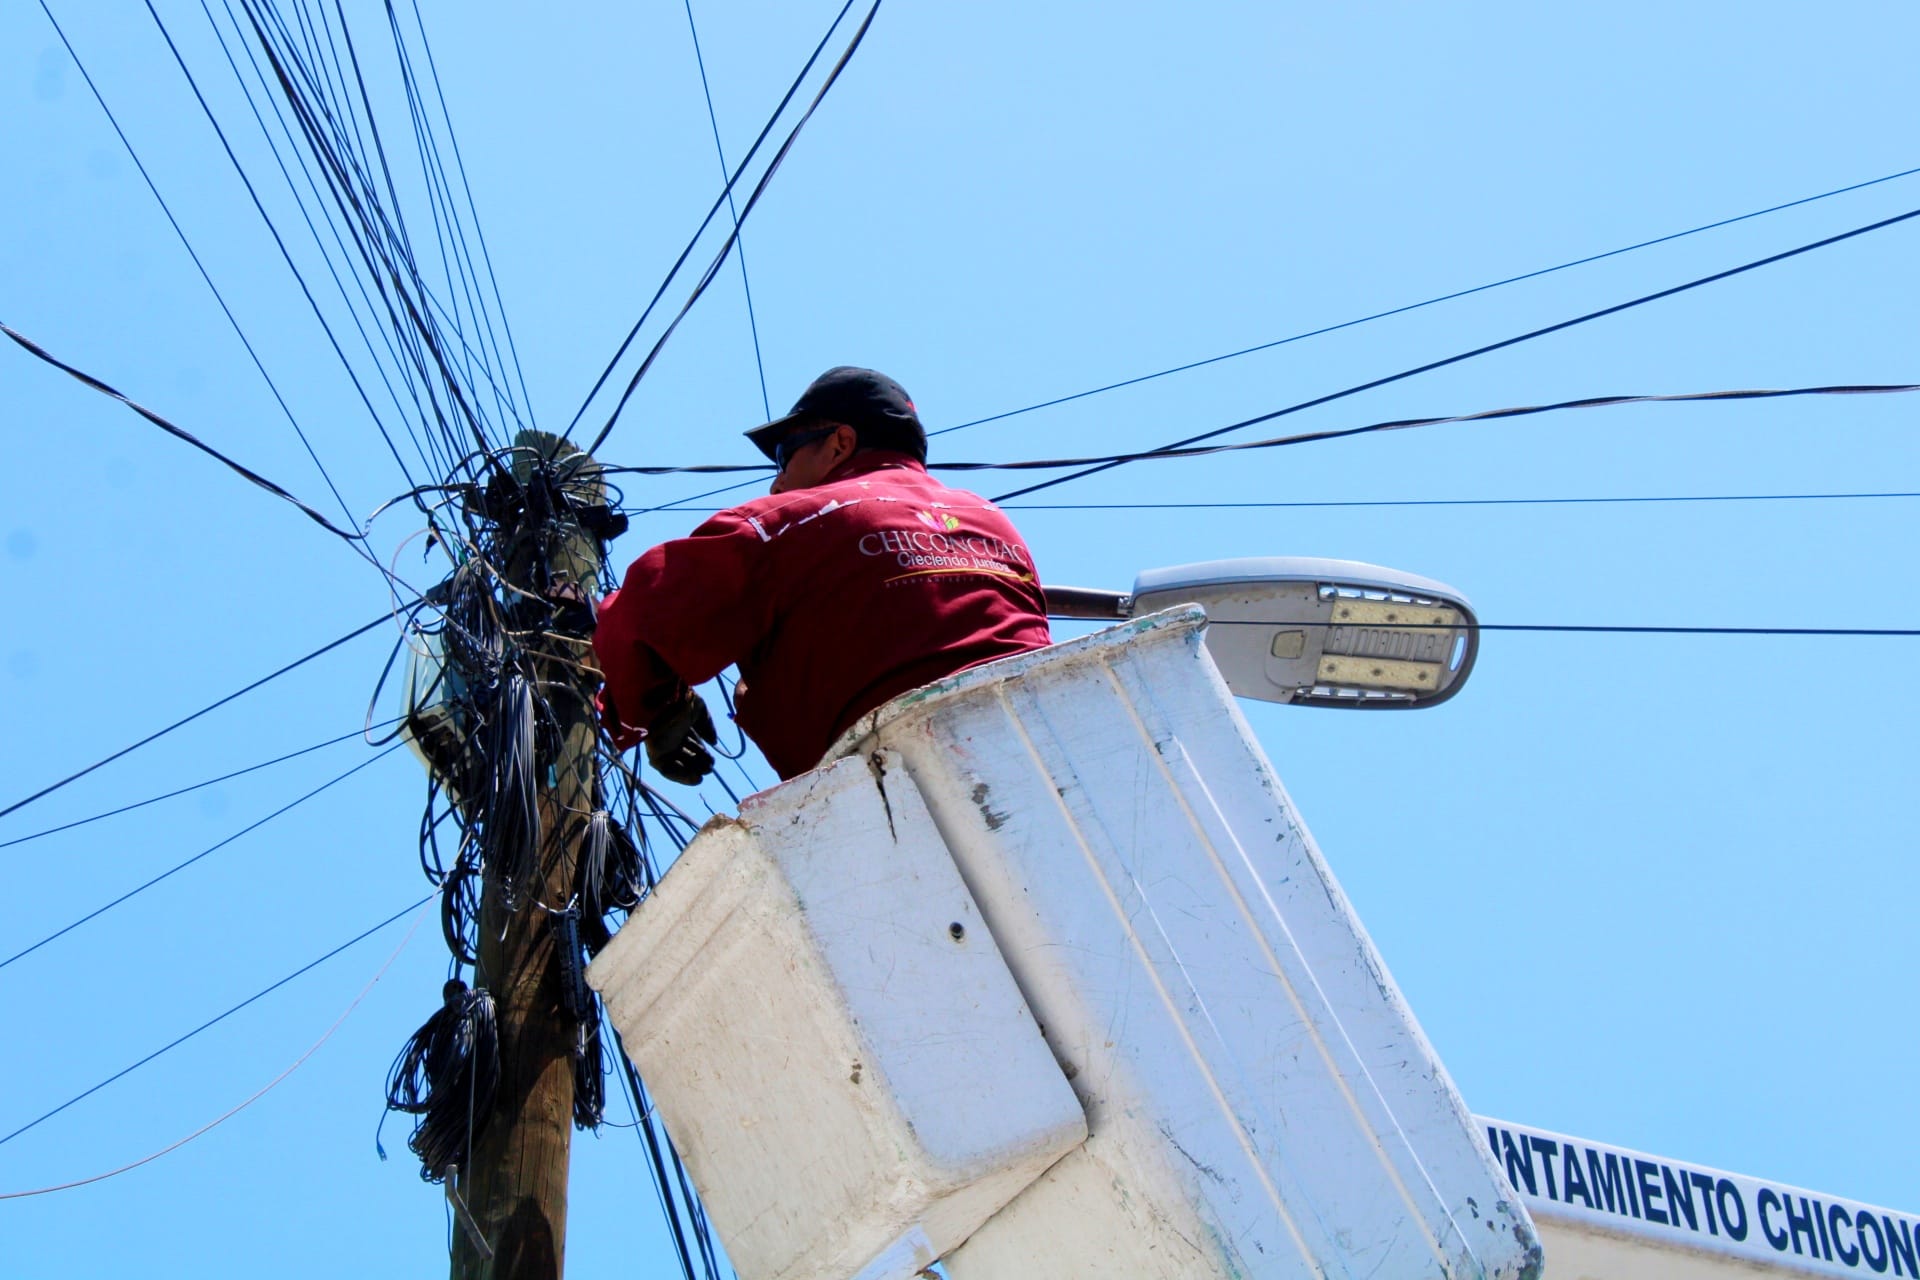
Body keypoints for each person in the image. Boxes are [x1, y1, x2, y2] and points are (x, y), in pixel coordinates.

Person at [592, 367, 1052, 785]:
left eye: (784, 455)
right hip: (1051, 751)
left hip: (897, 786)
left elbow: (638, 620)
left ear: (840, 444)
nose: (777, 482)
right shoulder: (992, 521)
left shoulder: (787, 525)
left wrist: (656, 711)